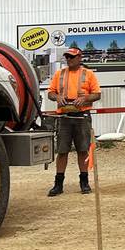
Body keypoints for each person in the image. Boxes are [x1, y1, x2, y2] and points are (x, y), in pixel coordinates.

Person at [47, 46, 100, 195]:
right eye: (67, 57)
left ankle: (84, 182)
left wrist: (85, 98)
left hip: (82, 117)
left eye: (71, 57)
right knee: (62, 151)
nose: (68, 59)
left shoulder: (88, 74)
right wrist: (57, 97)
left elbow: (97, 94)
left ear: (79, 58)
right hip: (64, 118)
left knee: (83, 150)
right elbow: (50, 93)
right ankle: (58, 184)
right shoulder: (59, 74)